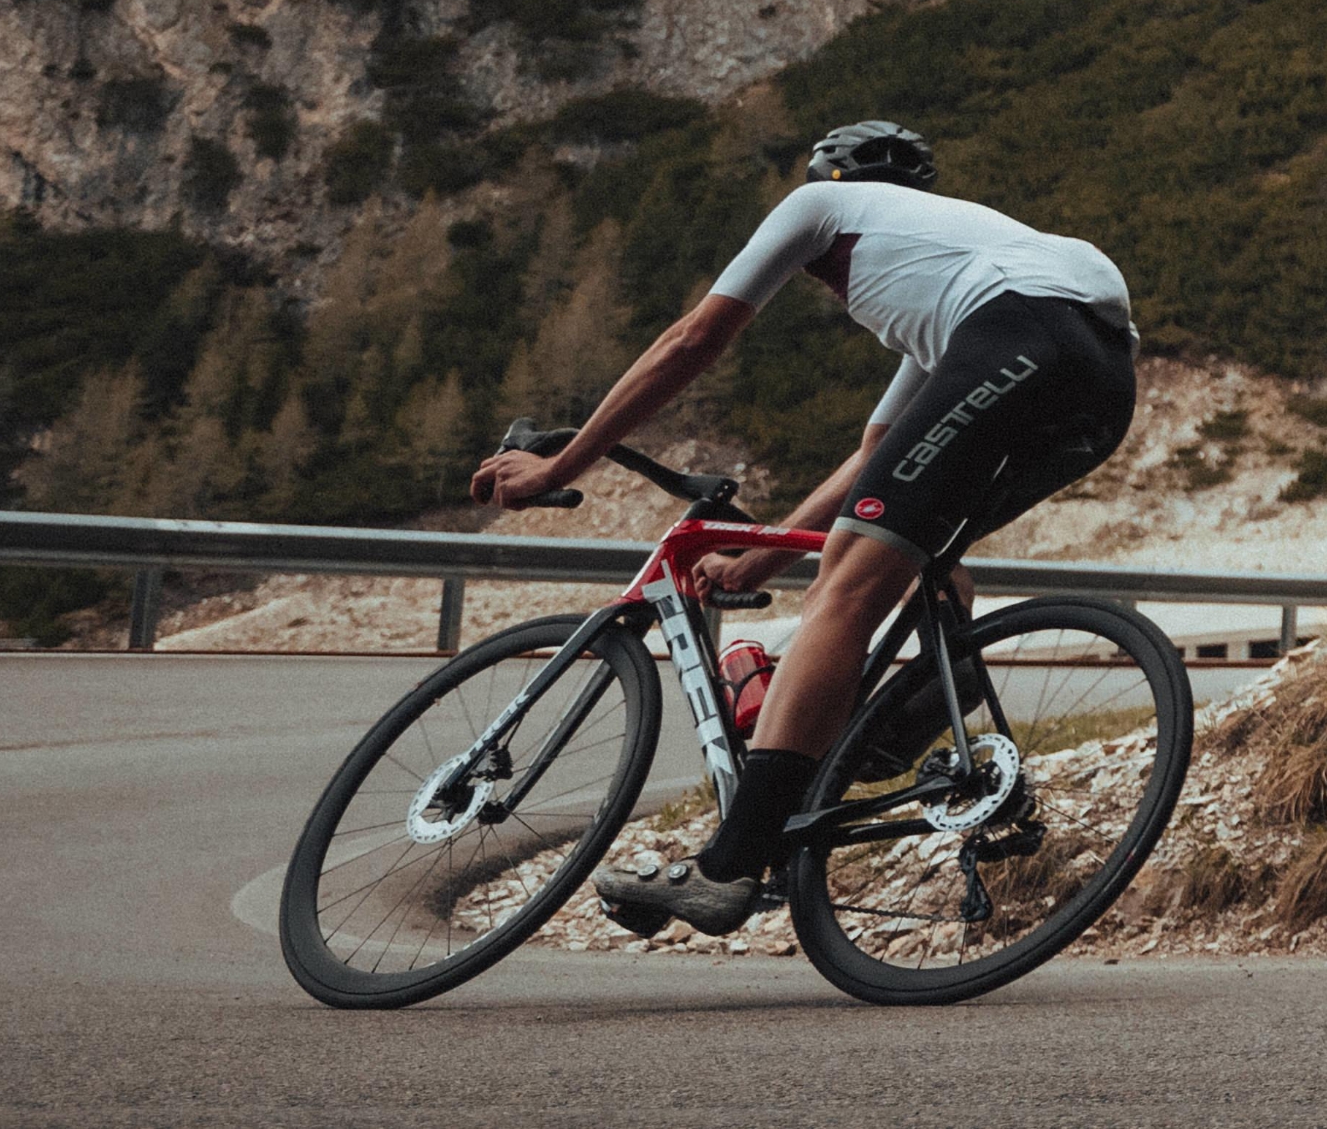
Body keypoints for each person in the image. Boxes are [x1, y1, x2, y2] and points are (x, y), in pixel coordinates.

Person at [467, 120, 1137, 935]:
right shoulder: (953, 281)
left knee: (845, 585)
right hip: (1103, 385)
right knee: (909, 552)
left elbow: (692, 339)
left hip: (1023, 338)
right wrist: (759, 558)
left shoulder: (822, 205)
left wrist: (559, 467)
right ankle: (893, 727)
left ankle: (729, 866)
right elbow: (877, 457)